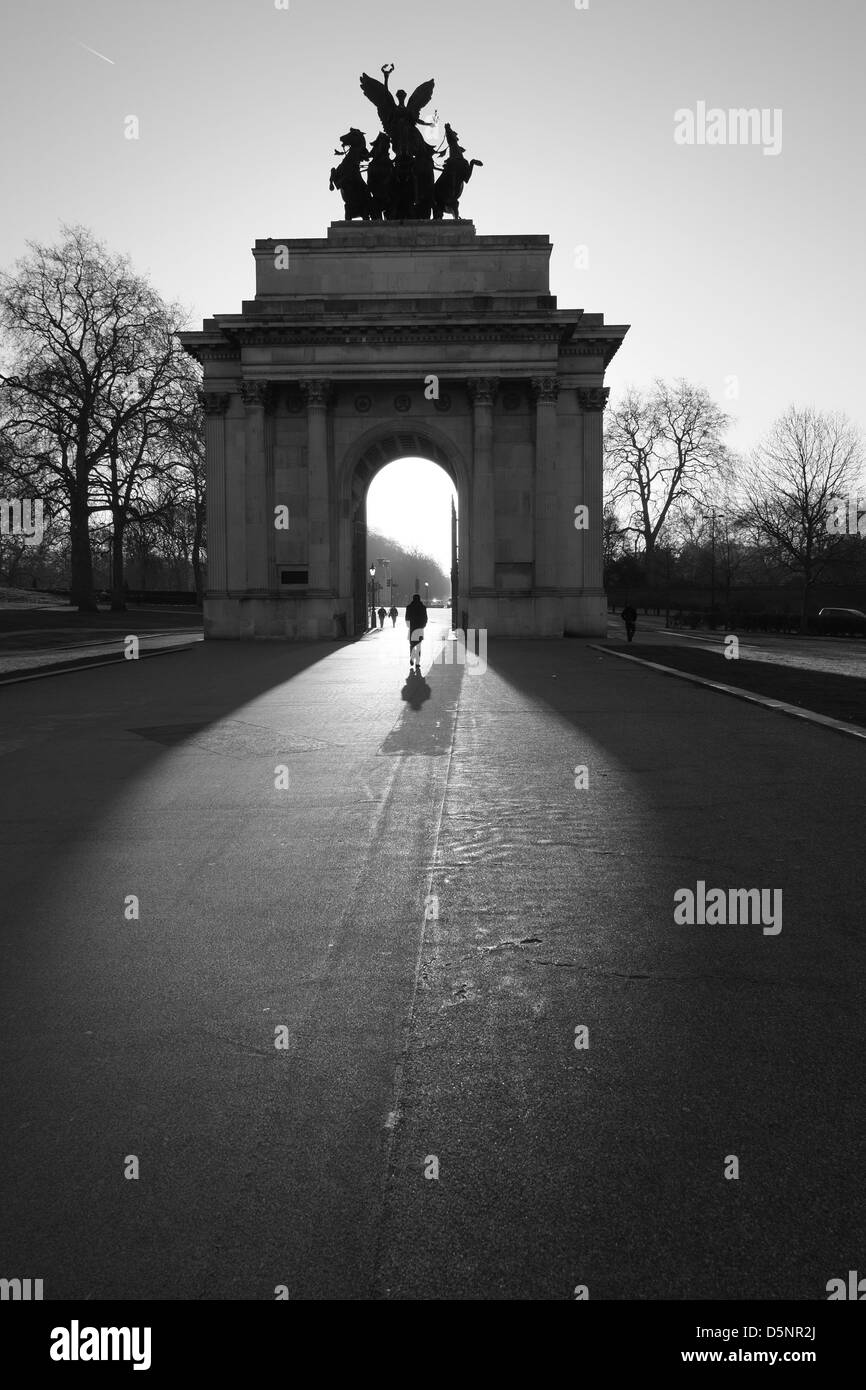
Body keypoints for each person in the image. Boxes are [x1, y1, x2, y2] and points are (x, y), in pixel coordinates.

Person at [404, 592, 428, 670]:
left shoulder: (409, 607)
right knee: (419, 646)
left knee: (412, 645)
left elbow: (407, 618)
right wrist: (423, 626)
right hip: (420, 629)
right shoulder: (423, 607)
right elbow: (425, 618)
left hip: (412, 628)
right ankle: (417, 662)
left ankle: (411, 658)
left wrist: (409, 626)